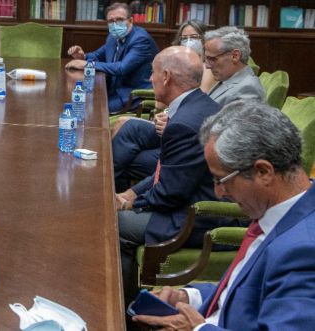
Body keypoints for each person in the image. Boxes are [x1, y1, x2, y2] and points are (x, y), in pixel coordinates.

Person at [133, 101, 315, 330]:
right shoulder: (276, 214)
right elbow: (244, 290)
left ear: (263, 172)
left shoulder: (305, 250)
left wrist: (198, 329)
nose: (219, 193)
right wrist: (188, 298)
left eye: (222, 180)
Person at [116, 46, 224, 304]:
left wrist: (127, 205)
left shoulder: (183, 124)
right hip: (194, 200)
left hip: (198, 216)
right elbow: (167, 171)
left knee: (113, 225)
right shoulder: (200, 104)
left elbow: (169, 194)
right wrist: (130, 193)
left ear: (165, 76)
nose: (149, 79)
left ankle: (125, 308)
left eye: (152, 73)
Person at [112, 25, 266, 191]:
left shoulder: (248, 89)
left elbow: (230, 140)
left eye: (212, 59)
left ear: (235, 55)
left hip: (196, 152)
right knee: (129, 129)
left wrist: (175, 125)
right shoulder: (226, 79)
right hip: (184, 135)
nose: (207, 65)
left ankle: (114, 198)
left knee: (128, 158)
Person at [65, 2, 159, 112]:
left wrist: (87, 64)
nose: (115, 24)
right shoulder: (113, 36)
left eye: (119, 19)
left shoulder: (141, 40)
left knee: (96, 110)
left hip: (133, 95)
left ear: (131, 21)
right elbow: (99, 55)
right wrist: (83, 56)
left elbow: (122, 68)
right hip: (113, 89)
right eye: (111, 21)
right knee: (80, 102)